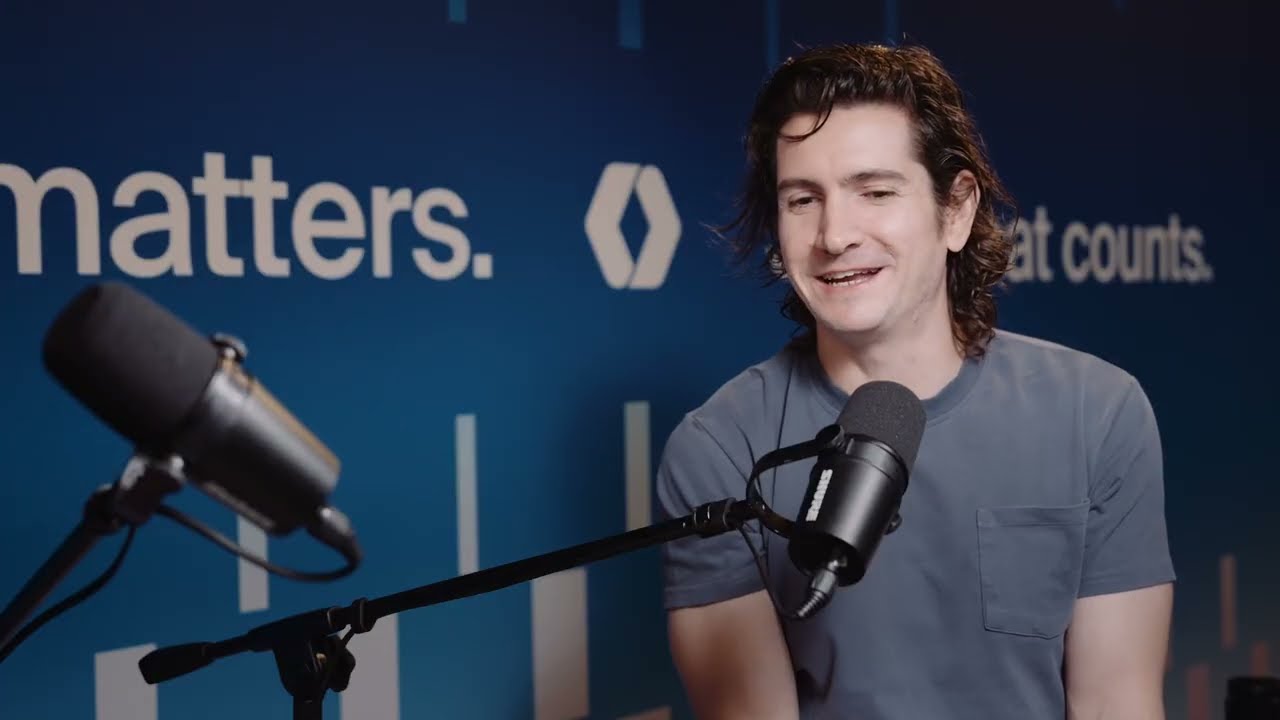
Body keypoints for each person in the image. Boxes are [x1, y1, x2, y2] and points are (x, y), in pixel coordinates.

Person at [654, 42, 1176, 719]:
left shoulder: (1098, 412)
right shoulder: (719, 450)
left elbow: (1115, 702)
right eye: (803, 199)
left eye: (875, 192)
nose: (835, 234)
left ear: (955, 210)